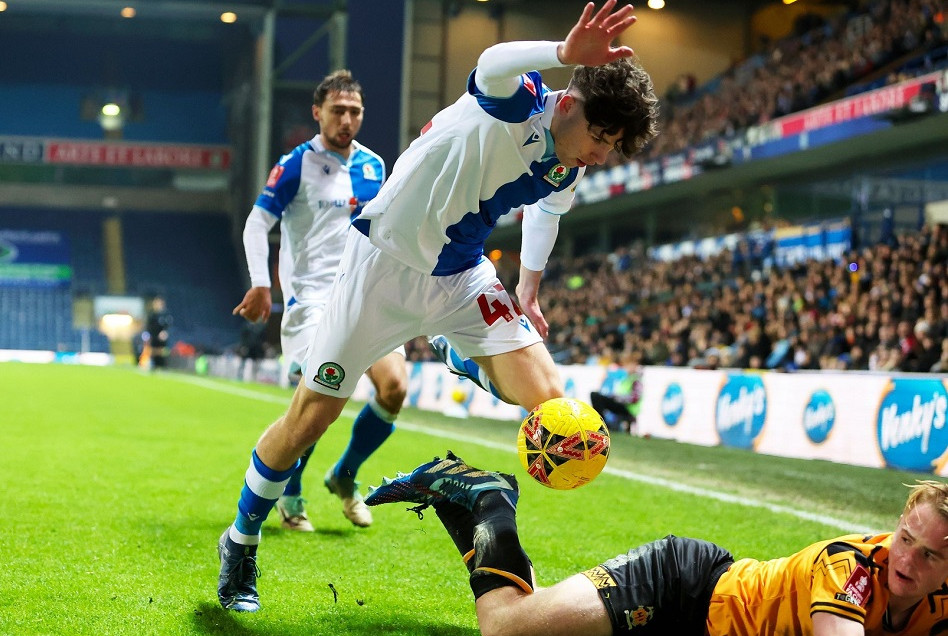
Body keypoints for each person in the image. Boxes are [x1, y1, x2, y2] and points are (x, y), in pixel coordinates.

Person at [217, 0, 659, 613]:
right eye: (602, 137)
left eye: (613, 146)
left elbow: (547, 215)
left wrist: (528, 289)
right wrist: (562, 53)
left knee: (553, 408)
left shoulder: (565, 168)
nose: (601, 154)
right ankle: (240, 541)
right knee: (308, 421)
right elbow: (490, 59)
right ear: (572, 104)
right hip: (379, 271)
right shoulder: (519, 97)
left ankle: (463, 365)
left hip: (462, 277)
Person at [366, 451, 948, 636]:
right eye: (905, 539)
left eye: (930, 555)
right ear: (896, 522)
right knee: (508, 629)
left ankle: (467, 506)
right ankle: (490, 500)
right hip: (685, 588)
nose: (907, 559)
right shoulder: (850, 568)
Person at [233, 69, 408, 533]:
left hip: (367, 293)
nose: (347, 119)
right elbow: (256, 223)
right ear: (318, 113)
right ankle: (291, 493)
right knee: (319, 402)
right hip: (312, 300)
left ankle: (344, 477)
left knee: (394, 389)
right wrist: (261, 283)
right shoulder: (295, 164)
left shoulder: (374, 164)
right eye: (337, 111)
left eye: (355, 111)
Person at [141, 295, 172, 371]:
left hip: (162, 337)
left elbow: (168, 326)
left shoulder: (166, 314)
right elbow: (148, 326)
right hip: (153, 336)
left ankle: (163, 365)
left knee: (162, 351)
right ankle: (154, 365)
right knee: (153, 351)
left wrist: (165, 332)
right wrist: (149, 336)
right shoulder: (152, 315)